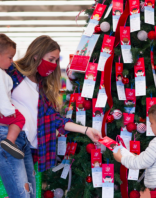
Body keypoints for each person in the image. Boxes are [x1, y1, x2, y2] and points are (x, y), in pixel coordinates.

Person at [0, 35, 102, 198]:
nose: (53, 65)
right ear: (36, 55)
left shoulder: (41, 87)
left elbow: (55, 119)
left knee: (31, 195)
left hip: (28, 146)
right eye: (51, 59)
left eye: (56, 61)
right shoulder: (14, 71)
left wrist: (87, 130)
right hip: (10, 139)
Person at [0, 34, 26, 159]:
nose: (12, 61)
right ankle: (10, 141)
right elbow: (1, 95)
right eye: (10, 58)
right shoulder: (1, 75)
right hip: (3, 111)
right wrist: (7, 110)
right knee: (20, 118)